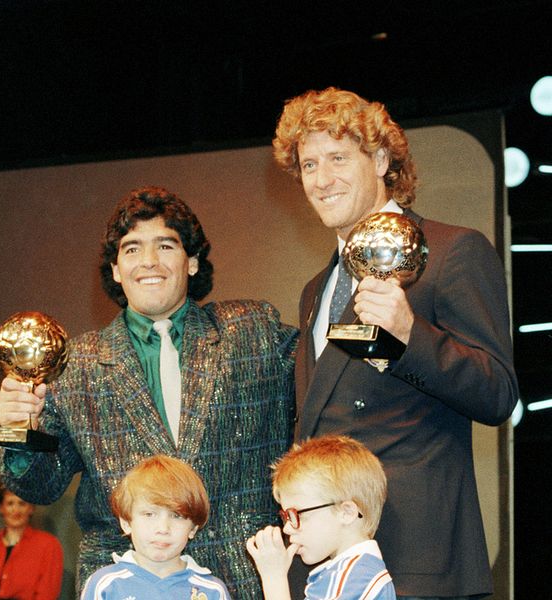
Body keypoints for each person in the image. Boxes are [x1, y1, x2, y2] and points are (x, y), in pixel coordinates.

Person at [272, 87, 519, 599]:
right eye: (309, 165)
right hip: (326, 565)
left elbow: (498, 394)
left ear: (382, 159)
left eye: (338, 158)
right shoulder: (316, 290)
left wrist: (410, 337)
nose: (321, 179)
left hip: (415, 560)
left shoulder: (452, 252)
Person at [0, 186, 297, 599]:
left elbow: (331, 386)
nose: (149, 262)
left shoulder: (252, 330)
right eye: (132, 249)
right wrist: (17, 430)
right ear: (116, 269)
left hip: (244, 577)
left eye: (166, 245)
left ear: (191, 262)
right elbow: (40, 487)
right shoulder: (76, 364)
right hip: (122, 585)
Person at [247, 435, 395, 600]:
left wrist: (273, 577)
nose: (287, 528)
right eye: (286, 516)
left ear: (346, 513)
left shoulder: (353, 580)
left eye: (297, 514)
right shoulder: (354, 574)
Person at [81, 454, 231, 599]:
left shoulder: (213, 591)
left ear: (193, 529)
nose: (163, 528)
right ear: (126, 523)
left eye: (176, 516)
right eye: (149, 514)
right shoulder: (105, 585)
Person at [0, 484, 63, 600]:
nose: (15, 510)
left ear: (31, 508)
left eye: (22, 504)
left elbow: (47, 595)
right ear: (1, 508)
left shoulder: (48, 545)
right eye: (10, 503)